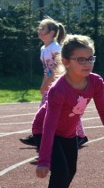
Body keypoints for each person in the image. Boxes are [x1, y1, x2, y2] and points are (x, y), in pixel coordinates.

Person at [31, 35, 104, 188]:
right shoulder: (58, 89)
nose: (87, 63)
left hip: (68, 132)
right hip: (45, 130)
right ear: (66, 62)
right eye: (80, 59)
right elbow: (49, 125)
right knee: (61, 171)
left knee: (70, 170)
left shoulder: (96, 82)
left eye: (90, 58)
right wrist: (44, 160)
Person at [21, 18, 90, 150]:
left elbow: (58, 67)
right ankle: (40, 135)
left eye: (43, 29)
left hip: (60, 83)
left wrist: (47, 84)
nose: (39, 31)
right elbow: (46, 70)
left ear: (52, 32)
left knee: (68, 109)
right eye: (39, 28)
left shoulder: (56, 47)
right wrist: (43, 85)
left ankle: (79, 136)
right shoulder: (43, 48)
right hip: (50, 84)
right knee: (48, 109)